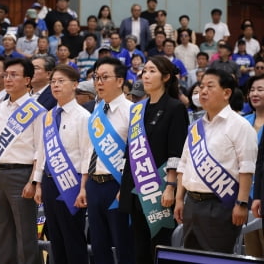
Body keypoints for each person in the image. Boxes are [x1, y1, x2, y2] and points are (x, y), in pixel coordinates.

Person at [174, 68, 257, 254]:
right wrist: (179, 199)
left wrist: (242, 203)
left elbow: (247, 168)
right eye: (201, 86)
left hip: (221, 206)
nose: (202, 91)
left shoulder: (241, 126)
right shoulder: (195, 127)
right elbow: (184, 163)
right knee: (191, 257)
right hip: (191, 204)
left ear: (227, 93)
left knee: (216, 258)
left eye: (210, 87)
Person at [120, 55, 189, 264]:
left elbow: (176, 153)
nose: (145, 75)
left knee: (158, 247)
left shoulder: (175, 108)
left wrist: (170, 186)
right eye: (144, 71)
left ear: (166, 77)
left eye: (152, 71)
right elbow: (131, 150)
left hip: (159, 189)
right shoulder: (138, 108)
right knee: (138, 249)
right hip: (135, 186)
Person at [0, 58, 45, 264]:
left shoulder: (37, 109)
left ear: (28, 80)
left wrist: (33, 181)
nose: (8, 79)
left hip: (22, 174)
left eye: (14, 75)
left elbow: (40, 149)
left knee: (26, 234)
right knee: (4, 233)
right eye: (6, 75)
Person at [76, 56, 134, 264]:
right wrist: (84, 187)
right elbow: (89, 151)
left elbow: (135, 156)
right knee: (99, 246)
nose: (99, 82)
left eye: (104, 77)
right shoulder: (95, 111)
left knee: (124, 244)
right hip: (94, 185)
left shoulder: (132, 112)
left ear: (120, 81)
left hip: (117, 186)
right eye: (96, 77)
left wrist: (126, 187)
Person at [33, 64, 90, 264]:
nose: (55, 85)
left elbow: (87, 155)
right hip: (49, 183)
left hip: (71, 183)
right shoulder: (48, 115)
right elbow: (42, 151)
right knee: (55, 239)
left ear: (75, 85)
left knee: (72, 238)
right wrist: (37, 183)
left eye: (61, 81)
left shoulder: (83, 117)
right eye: (53, 82)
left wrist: (83, 188)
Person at [244, 75, 264, 257]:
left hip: (262, 192)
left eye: (260, 89)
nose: (255, 93)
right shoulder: (243, 122)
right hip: (244, 195)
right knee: (251, 251)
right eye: (252, 90)